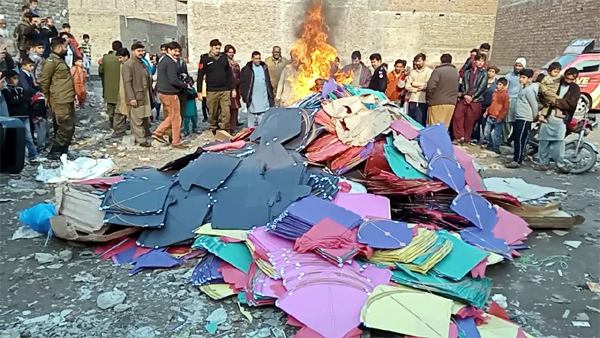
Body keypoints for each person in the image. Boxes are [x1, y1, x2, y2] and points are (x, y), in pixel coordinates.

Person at [536, 68, 581, 173]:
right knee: (543, 141)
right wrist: (548, 102)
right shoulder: (555, 83)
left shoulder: (574, 88)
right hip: (548, 116)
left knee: (559, 142)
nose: (568, 81)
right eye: (567, 78)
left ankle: (559, 163)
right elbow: (542, 95)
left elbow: (572, 104)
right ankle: (543, 163)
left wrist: (556, 102)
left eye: (571, 79)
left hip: (562, 118)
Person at [38, 37, 76, 160]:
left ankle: (63, 150)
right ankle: (55, 151)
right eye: (65, 47)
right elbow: (44, 81)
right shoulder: (51, 61)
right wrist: (47, 97)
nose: (67, 49)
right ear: (59, 47)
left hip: (67, 97)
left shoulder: (59, 60)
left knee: (69, 125)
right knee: (64, 126)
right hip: (59, 98)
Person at [197, 39, 236, 135]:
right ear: (211, 47)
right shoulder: (205, 59)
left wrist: (233, 88)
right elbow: (200, 76)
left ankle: (224, 130)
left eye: (219, 48)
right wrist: (199, 92)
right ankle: (214, 128)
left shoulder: (223, 58)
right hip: (212, 90)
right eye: (216, 48)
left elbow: (229, 74)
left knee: (226, 112)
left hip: (225, 90)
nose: (218, 50)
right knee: (213, 113)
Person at [153, 41, 188, 148]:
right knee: (176, 118)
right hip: (170, 92)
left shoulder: (164, 60)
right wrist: (185, 85)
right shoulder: (170, 62)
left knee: (172, 116)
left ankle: (159, 132)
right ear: (169, 50)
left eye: (178, 51)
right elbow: (173, 80)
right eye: (175, 51)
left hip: (164, 91)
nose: (177, 53)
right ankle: (174, 140)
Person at [121, 42, 153, 147]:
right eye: (139, 51)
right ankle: (140, 139)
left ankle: (145, 134)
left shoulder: (142, 63)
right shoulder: (128, 64)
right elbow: (127, 82)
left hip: (144, 94)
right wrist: (131, 98)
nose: (142, 53)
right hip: (135, 95)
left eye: (143, 51)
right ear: (133, 52)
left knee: (144, 116)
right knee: (137, 118)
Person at [506, 69, 539, 168]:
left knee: (520, 140)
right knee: (518, 139)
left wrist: (534, 116)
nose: (521, 79)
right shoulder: (523, 88)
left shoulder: (529, 90)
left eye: (523, 77)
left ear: (529, 79)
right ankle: (518, 157)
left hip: (525, 118)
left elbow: (534, 104)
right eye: (520, 77)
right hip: (519, 116)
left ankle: (517, 160)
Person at [2, 71, 38, 162]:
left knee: (28, 137)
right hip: (14, 117)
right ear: (7, 80)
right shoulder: (6, 91)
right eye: (14, 78)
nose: (16, 80)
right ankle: (20, 158)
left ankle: (33, 155)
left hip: (24, 115)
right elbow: (11, 101)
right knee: (18, 138)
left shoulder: (20, 89)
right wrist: (21, 99)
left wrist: (20, 99)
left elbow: (27, 98)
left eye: (17, 78)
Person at [452, 53, 487, 144]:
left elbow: (482, 87)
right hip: (465, 97)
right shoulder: (467, 72)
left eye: (482, 61)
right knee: (457, 115)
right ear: (474, 61)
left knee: (470, 120)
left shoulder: (484, 73)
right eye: (479, 60)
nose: (480, 63)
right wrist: (465, 95)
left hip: (475, 100)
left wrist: (472, 96)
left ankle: (466, 138)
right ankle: (459, 136)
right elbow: (463, 85)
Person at [240, 51, 275, 127]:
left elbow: (268, 81)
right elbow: (242, 84)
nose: (258, 60)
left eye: (259, 58)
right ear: (252, 58)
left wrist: (271, 93)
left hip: (263, 96)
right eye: (256, 59)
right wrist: (245, 96)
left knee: (263, 118)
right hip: (252, 97)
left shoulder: (264, 68)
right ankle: (251, 135)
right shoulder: (247, 69)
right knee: (251, 118)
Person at [99, 40, 126, 137]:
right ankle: (118, 126)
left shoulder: (106, 58)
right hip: (120, 87)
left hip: (108, 87)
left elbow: (100, 71)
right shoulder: (122, 58)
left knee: (110, 107)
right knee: (120, 108)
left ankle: (112, 123)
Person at [426, 53, 459, 128]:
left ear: (441, 61)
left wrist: (429, 99)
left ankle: (435, 140)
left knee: (435, 126)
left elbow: (431, 87)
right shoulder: (456, 72)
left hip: (437, 102)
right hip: (451, 103)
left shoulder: (438, 71)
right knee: (445, 126)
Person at [482, 77, 509, 152]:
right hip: (490, 115)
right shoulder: (495, 93)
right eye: (497, 84)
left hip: (498, 117)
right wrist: (487, 111)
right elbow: (492, 104)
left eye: (500, 84)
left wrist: (501, 117)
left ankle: (496, 147)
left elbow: (505, 107)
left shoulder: (505, 95)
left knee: (497, 134)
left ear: (504, 85)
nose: (497, 86)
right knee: (486, 132)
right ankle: (489, 143)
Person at [405, 53, 433, 126]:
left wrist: (414, 83)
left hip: (423, 100)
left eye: (419, 61)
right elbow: (407, 86)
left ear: (424, 61)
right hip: (412, 99)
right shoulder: (413, 72)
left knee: (420, 121)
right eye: (416, 61)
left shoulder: (429, 72)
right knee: (411, 121)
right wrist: (416, 89)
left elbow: (427, 85)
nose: (417, 63)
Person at [504, 57, 526, 144]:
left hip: (521, 102)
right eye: (516, 65)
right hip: (511, 100)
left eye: (520, 66)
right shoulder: (509, 75)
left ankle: (512, 139)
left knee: (517, 123)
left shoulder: (525, 78)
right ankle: (505, 139)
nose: (517, 67)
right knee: (507, 122)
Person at [474, 65, 499, 143]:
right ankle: (475, 138)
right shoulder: (482, 80)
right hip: (480, 103)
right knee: (476, 123)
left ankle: (486, 139)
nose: (490, 73)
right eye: (489, 71)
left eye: (492, 72)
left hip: (489, 105)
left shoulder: (497, 83)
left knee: (486, 124)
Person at [224, 44, 242, 133]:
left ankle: (233, 126)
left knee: (235, 108)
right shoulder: (224, 63)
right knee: (227, 108)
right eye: (229, 52)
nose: (231, 54)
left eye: (232, 52)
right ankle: (226, 127)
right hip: (227, 88)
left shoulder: (235, 64)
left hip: (236, 88)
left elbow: (239, 75)